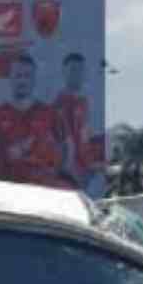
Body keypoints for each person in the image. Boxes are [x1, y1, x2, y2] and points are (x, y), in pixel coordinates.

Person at [0, 53, 73, 189]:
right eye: (18, 75)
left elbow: (65, 147)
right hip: (7, 189)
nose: (22, 81)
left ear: (34, 79)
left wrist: (56, 174)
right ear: (10, 78)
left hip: (41, 189)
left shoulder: (51, 114)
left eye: (27, 76)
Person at [53, 52, 100, 195]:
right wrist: (72, 171)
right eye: (73, 70)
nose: (77, 74)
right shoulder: (59, 104)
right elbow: (65, 144)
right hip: (71, 174)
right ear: (64, 73)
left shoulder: (84, 102)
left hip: (86, 170)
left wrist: (92, 165)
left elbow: (86, 136)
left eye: (80, 70)